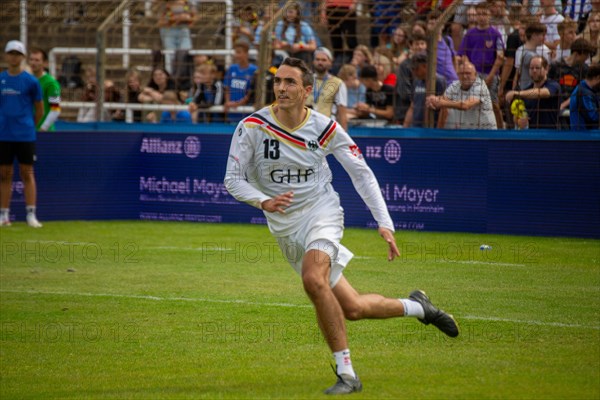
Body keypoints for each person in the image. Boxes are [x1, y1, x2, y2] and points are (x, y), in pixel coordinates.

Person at [223, 57, 459, 396]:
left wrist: (385, 223)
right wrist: (262, 201)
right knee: (354, 308)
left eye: (290, 83)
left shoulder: (325, 127)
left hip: (322, 212)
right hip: (284, 228)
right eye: (278, 81)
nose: (281, 88)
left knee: (313, 279)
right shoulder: (252, 127)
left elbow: (361, 173)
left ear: (307, 91)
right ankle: (419, 306)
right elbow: (232, 179)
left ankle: (347, 374)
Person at [0, 40, 44, 228]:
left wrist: (29, 126)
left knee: (27, 173)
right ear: (6, 56)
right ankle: (4, 215)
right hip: (4, 134)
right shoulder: (1, 79)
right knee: (4, 174)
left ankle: (31, 214)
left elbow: (40, 109)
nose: (14, 57)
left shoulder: (31, 81)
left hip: (25, 135)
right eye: (11, 53)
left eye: (17, 54)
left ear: (22, 57)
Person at [458, 2, 505, 128]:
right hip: (473, 75)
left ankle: (500, 130)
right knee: (472, 103)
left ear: (490, 15)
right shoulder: (469, 34)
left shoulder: (496, 34)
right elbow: (463, 54)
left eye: (484, 14)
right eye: (479, 14)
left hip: (491, 74)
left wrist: (490, 76)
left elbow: (500, 58)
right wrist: (470, 71)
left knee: (493, 104)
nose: (481, 17)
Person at [427, 61, 497, 129]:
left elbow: (465, 105)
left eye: (468, 73)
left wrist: (441, 102)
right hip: (469, 132)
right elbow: (444, 100)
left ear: (475, 74)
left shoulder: (480, 86)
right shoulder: (454, 85)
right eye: (461, 73)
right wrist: (433, 100)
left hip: (486, 132)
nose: (465, 76)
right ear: (457, 75)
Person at [505, 55, 561, 129]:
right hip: (530, 136)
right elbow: (516, 117)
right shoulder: (525, 91)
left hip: (549, 134)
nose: (534, 71)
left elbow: (540, 93)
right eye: (531, 68)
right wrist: (519, 121)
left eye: (537, 68)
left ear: (546, 69)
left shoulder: (553, 85)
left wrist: (517, 93)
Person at [306, 47, 348, 131]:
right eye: (317, 59)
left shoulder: (338, 83)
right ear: (313, 62)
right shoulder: (306, 80)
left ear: (330, 62)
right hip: (307, 125)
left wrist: (344, 135)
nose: (320, 62)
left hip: (326, 127)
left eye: (323, 60)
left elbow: (342, 112)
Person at [404, 53, 447, 128]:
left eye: (416, 69)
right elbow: (412, 106)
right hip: (416, 126)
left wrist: (439, 130)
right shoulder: (416, 81)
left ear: (425, 66)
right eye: (412, 69)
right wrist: (405, 127)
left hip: (431, 127)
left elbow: (444, 109)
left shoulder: (439, 81)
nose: (414, 72)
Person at [394, 32, 428, 125]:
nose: (420, 47)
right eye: (417, 44)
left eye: (422, 43)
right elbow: (404, 92)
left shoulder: (430, 65)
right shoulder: (405, 65)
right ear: (411, 45)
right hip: (405, 112)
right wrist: (417, 99)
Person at [28, 47, 61, 132]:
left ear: (45, 63)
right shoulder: (27, 80)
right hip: (28, 131)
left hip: (44, 133)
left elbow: (55, 110)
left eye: (37, 60)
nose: (33, 63)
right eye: (31, 59)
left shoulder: (51, 83)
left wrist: (43, 128)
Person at [223, 40, 257, 122]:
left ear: (246, 54)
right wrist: (228, 102)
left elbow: (251, 92)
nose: (236, 55)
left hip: (246, 112)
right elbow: (227, 87)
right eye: (235, 52)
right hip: (232, 110)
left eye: (239, 52)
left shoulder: (254, 70)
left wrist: (238, 103)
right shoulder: (232, 68)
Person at [159, 0, 195, 73]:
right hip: (169, 32)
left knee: (185, 53)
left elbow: (194, 19)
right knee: (171, 56)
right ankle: (171, 74)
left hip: (183, 32)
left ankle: (184, 74)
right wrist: (173, 20)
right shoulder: (165, 6)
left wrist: (187, 19)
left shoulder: (187, 5)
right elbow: (160, 22)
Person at [320, 0, 358, 68]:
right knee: (335, 38)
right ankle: (337, 62)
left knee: (351, 39)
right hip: (331, 7)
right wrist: (323, 11)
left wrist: (355, 3)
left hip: (347, 6)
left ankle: (353, 60)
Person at [569, 63, 600, 129]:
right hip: (584, 136)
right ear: (597, 77)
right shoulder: (584, 93)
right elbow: (593, 116)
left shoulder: (587, 90)